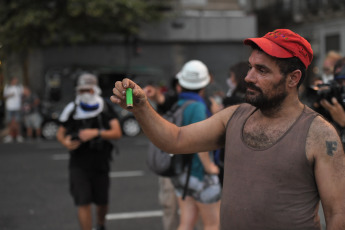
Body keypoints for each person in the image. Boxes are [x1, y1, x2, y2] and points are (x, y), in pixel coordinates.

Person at [111, 29, 345, 229]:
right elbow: (175, 139)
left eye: (262, 70)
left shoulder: (320, 134)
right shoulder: (234, 116)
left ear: (293, 78)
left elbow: (337, 214)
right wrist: (141, 107)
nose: (249, 77)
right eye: (251, 67)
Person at [150, 60, 222, 230]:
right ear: (204, 84)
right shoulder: (198, 106)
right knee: (213, 223)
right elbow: (201, 140)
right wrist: (209, 167)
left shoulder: (179, 103)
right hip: (199, 175)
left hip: (182, 173)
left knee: (186, 222)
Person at [56, 73, 122, 230]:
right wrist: (66, 142)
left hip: (100, 160)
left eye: (89, 90)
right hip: (79, 162)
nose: (86, 94)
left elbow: (117, 133)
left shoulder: (104, 107)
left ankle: (100, 225)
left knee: (102, 202)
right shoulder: (72, 108)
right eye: (82, 90)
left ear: (95, 90)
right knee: (83, 201)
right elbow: (60, 133)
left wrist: (96, 133)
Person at [3, 77, 24, 143]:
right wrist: (10, 95)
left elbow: (23, 95)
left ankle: (18, 136)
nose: (16, 81)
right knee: (9, 122)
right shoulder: (7, 87)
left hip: (17, 107)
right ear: (12, 80)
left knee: (17, 122)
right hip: (9, 107)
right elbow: (4, 96)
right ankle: (10, 136)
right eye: (15, 80)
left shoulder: (19, 87)